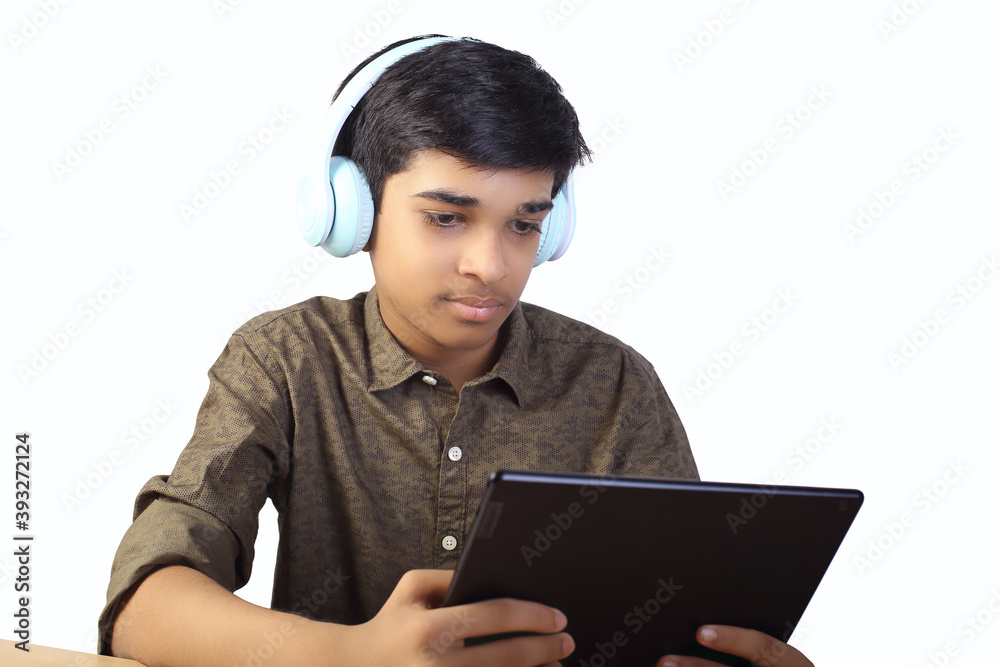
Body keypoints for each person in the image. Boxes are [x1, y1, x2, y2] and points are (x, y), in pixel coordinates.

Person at [100, 35, 814, 667]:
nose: (490, 265)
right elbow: (144, 605)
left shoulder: (615, 381)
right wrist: (349, 655)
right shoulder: (284, 359)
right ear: (351, 209)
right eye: (446, 217)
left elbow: (682, 608)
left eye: (524, 225)